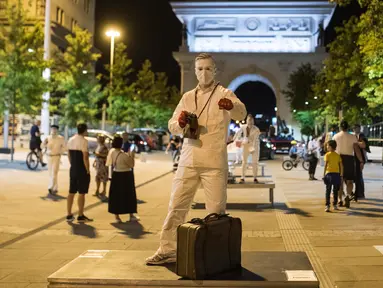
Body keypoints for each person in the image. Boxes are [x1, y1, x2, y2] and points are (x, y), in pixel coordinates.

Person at [145, 53, 246, 265]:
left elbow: (241, 113)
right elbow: (172, 125)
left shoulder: (224, 93)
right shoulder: (188, 97)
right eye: (200, 68)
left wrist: (231, 106)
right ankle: (167, 249)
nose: (204, 72)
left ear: (215, 71)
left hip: (214, 162)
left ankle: (216, 255)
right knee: (176, 207)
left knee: (216, 212)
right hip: (189, 159)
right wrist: (180, 122)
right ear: (195, 71)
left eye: (208, 68)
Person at [106, 136, 139, 223]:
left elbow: (109, 163)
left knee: (116, 196)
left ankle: (117, 216)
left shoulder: (111, 152)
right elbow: (131, 165)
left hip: (116, 174)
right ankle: (131, 215)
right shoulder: (123, 155)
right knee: (129, 195)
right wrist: (131, 155)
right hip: (126, 175)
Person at [333, 120, 364, 208]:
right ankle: (348, 196)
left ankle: (339, 199)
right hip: (350, 159)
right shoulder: (353, 137)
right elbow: (356, 149)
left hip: (339, 159)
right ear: (348, 127)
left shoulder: (335, 136)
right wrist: (361, 161)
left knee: (340, 180)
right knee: (350, 181)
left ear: (340, 127)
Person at [66, 123, 92, 223]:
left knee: (71, 192)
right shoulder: (84, 141)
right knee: (82, 193)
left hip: (73, 168)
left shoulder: (71, 139)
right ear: (84, 130)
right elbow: (85, 157)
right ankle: (80, 214)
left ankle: (69, 214)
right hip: (82, 169)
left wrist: (72, 164)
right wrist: (88, 169)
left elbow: (69, 154)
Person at [235, 114, 261, 183]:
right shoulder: (243, 127)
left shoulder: (256, 129)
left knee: (255, 162)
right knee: (244, 161)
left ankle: (255, 177)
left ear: (253, 121)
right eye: (249, 120)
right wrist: (237, 140)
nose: (250, 122)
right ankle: (242, 177)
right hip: (246, 145)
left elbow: (255, 140)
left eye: (251, 120)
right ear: (247, 120)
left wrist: (247, 141)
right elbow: (237, 133)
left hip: (254, 146)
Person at [43, 125, 65, 195]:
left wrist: (60, 152)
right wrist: (44, 143)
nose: (54, 130)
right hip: (49, 157)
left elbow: (64, 147)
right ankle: (55, 188)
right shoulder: (47, 138)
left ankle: (50, 187)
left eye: (55, 129)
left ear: (57, 130)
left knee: (54, 172)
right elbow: (42, 146)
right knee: (51, 173)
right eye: (52, 129)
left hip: (56, 157)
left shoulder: (60, 138)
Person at [323, 140, 343, 212]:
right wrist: (341, 174)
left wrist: (324, 174)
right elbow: (341, 166)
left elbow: (325, 165)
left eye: (328, 145)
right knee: (335, 190)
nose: (327, 147)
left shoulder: (327, 155)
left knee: (328, 190)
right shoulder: (337, 155)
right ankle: (334, 204)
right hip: (336, 174)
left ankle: (327, 205)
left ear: (331, 147)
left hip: (329, 174)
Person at [352, 124, 369, 201]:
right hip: (355, 159)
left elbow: (363, 145)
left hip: (360, 159)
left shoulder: (361, 135)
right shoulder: (354, 136)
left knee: (359, 176)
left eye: (356, 128)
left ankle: (360, 193)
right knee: (357, 176)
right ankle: (358, 193)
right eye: (354, 128)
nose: (355, 129)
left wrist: (355, 142)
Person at [93, 135, 109, 199]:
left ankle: (104, 190)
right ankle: (97, 190)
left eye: (99, 139)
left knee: (103, 178)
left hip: (103, 164)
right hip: (98, 163)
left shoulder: (104, 147)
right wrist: (95, 161)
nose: (98, 140)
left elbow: (105, 155)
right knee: (98, 177)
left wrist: (98, 154)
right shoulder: (99, 146)